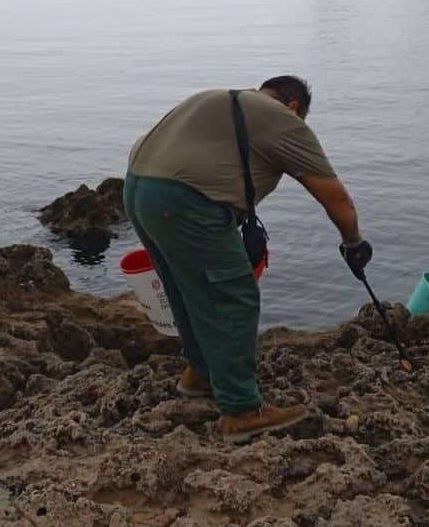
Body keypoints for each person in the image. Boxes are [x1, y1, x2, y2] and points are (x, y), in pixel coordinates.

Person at [124, 75, 371, 442]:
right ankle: (241, 411)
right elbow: (335, 197)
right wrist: (353, 242)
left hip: (138, 190)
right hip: (186, 203)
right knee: (233, 296)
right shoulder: (282, 118)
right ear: (294, 107)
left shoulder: (215, 99)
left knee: (185, 288)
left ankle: (201, 373)